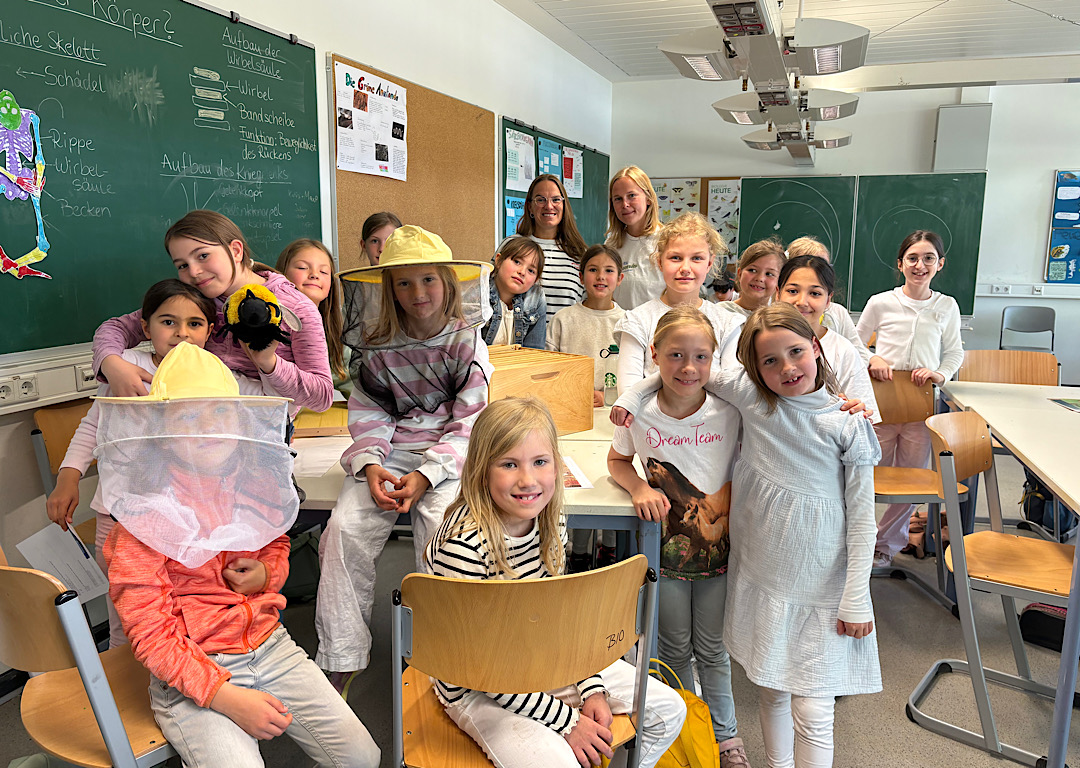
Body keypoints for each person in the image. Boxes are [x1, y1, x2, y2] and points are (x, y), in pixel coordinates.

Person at [614, 303, 882, 768]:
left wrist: (857, 597)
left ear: (817, 347)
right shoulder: (753, 398)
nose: (787, 368)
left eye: (796, 352)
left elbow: (862, 519)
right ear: (755, 370)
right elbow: (680, 370)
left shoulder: (847, 422)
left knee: (814, 708)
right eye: (770, 361)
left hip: (821, 581)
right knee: (770, 687)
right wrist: (631, 399)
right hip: (763, 572)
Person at [99, 342, 379, 768]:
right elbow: (151, 633)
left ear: (239, 418)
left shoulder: (254, 485)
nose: (208, 426)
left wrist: (267, 573)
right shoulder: (143, 518)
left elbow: (275, 541)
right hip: (191, 668)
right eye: (188, 415)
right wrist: (223, 696)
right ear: (161, 431)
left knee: (362, 758)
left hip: (269, 644)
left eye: (220, 411)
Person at [425, 396, 687, 768]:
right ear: (481, 469)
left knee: (669, 710)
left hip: (542, 654)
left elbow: (559, 618)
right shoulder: (464, 548)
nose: (528, 480)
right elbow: (482, 671)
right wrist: (568, 722)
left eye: (540, 462)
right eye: (509, 464)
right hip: (478, 685)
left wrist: (592, 688)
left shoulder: (551, 520)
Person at [315, 226, 492, 694]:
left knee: (443, 533)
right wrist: (371, 465)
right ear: (389, 289)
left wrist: (428, 474)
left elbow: (471, 420)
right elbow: (370, 412)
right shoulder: (377, 343)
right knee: (344, 529)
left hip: (450, 459)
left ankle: (437, 657)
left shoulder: (467, 341)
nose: (418, 293)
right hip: (388, 454)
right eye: (404, 283)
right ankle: (343, 655)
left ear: (448, 282)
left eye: (428, 279)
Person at [47, 279, 266, 648]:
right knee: (127, 616)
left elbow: (266, 403)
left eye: (194, 324)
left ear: (210, 331)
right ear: (146, 328)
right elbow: (94, 426)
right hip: (120, 512)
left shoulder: (214, 373)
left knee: (178, 608)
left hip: (188, 513)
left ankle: (177, 670)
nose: (182, 333)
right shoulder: (127, 367)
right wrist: (68, 478)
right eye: (168, 322)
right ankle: (126, 678)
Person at [606, 306, 750, 768]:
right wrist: (638, 487)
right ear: (654, 354)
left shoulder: (729, 411)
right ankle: (689, 732)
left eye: (700, 357)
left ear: (714, 359)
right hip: (663, 557)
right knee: (673, 648)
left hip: (720, 557)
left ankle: (725, 738)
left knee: (712, 650)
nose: (689, 368)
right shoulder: (640, 415)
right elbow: (617, 461)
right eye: (675, 355)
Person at [91, 210, 332, 413]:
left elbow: (321, 397)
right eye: (182, 265)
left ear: (236, 251)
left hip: (259, 434)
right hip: (193, 427)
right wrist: (111, 364)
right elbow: (116, 328)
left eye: (203, 256)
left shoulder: (296, 307)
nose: (194, 272)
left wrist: (269, 363)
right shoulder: (194, 298)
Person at [856, 230, 963, 568]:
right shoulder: (881, 302)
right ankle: (858, 540)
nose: (920, 265)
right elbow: (854, 343)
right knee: (867, 475)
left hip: (920, 404)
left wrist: (939, 374)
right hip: (882, 400)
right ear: (900, 263)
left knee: (912, 479)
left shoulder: (946, 306)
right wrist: (873, 357)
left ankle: (885, 545)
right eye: (912, 258)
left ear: (940, 264)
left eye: (928, 258)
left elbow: (955, 352)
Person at [547, 243, 626, 572]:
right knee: (579, 486)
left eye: (608, 270)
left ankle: (610, 551)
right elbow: (551, 370)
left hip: (613, 420)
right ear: (581, 276)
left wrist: (608, 394)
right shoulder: (563, 320)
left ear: (620, 278)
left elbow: (633, 375)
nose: (600, 276)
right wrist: (579, 393)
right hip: (572, 421)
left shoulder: (628, 322)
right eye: (593, 269)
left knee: (611, 484)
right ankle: (577, 553)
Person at [613, 212, 742, 394]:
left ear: (709, 263)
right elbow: (628, 394)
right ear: (659, 262)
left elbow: (732, 390)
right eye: (675, 258)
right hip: (650, 413)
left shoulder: (727, 323)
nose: (685, 268)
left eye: (696, 258)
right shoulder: (638, 321)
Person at [776, 255, 879, 423]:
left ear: (828, 301)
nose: (802, 302)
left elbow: (867, 419)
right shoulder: (760, 342)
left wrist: (854, 413)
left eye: (815, 293)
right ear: (778, 293)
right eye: (793, 291)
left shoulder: (842, 350)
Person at [276, 238, 349, 397]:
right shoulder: (272, 321)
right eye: (302, 267)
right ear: (282, 274)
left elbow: (348, 377)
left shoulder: (336, 329)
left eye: (324, 272)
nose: (314, 275)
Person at [515, 174, 588, 323]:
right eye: (540, 200)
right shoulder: (512, 246)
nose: (549, 206)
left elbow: (589, 308)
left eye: (556, 199)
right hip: (518, 338)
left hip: (566, 337)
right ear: (530, 207)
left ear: (564, 205)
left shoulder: (580, 254)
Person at [785, 236, 870, 364]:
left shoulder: (838, 313)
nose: (802, 302)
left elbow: (859, 356)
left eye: (823, 267)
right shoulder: (770, 316)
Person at [606, 166, 663, 310]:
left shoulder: (667, 241)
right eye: (618, 199)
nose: (625, 204)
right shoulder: (611, 246)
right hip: (623, 323)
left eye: (631, 195)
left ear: (648, 198)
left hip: (661, 323)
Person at [482, 236, 547, 348]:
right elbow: (466, 349)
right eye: (517, 262)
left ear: (535, 280)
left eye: (531, 270)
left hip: (520, 359)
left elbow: (534, 350)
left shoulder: (536, 297)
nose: (522, 272)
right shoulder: (478, 291)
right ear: (499, 260)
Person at [717, 239, 786, 317]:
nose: (760, 278)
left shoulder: (779, 319)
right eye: (752, 270)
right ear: (740, 274)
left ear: (780, 281)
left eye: (769, 274)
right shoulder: (719, 312)